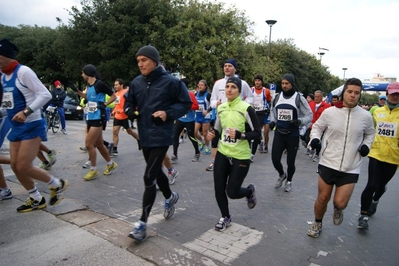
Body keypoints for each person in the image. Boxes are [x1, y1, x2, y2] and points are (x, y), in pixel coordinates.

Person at [124, 45, 191, 241]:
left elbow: (186, 104)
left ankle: (142, 224)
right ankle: (170, 197)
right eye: (138, 61)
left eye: (144, 60)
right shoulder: (136, 82)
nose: (140, 64)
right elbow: (129, 101)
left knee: (148, 177)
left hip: (162, 134)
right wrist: (129, 110)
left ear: (154, 61)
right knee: (155, 174)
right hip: (144, 134)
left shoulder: (171, 82)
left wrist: (167, 113)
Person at [0, 38, 68, 212]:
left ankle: (57, 184)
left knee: (23, 165)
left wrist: (26, 112)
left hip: (32, 123)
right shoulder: (4, 77)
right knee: (15, 165)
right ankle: (37, 198)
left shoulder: (23, 72)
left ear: (6, 56)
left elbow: (45, 95)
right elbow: (8, 104)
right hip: (16, 126)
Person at [306, 78, 375, 238]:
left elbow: (370, 133)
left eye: (356, 93)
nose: (352, 95)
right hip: (328, 161)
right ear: (344, 92)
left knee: (340, 202)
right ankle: (317, 222)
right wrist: (314, 139)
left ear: (360, 95)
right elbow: (317, 127)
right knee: (323, 198)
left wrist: (366, 146)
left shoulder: (365, 116)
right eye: (349, 91)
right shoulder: (330, 112)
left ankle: (338, 210)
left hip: (351, 165)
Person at [206, 76, 261, 231]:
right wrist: (211, 135)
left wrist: (240, 135)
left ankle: (249, 191)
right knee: (218, 189)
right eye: (227, 87)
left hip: (240, 156)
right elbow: (217, 130)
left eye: (233, 87)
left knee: (232, 192)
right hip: (223, 153)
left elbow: (258, 134)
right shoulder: (221, 108)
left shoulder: (246, 108)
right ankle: (225, 216)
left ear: (239, 91)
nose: (229, 90)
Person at [358, 82, 399, 230]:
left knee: (380, 187)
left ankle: (375, 201)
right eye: (392, 93)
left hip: (394, 157)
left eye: (397, 94)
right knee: (371, 185)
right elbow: (369, 130)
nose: (395, 96)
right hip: (376, 154)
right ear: (387, 94)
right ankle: (363, 215)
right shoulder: (376, 112)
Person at [206, 59, 254, 171]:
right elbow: (212, 99)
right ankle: (215, 162)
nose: (227, 68)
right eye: (225, 65)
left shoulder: (242, 83)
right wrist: (215, 104)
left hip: (237, 118)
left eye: (230, 66)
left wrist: (243, 105)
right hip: (221, 116)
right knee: (215, 139)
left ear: (235, 68)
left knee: (234, 138)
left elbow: (250, 97)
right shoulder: (218, 83)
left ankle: (238, 160)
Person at [269, 74, 312, 192]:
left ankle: (289, 181)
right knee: (275, 159)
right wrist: (273, 121)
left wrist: (299, 121)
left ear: (292, 84)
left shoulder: (299, 98)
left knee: (290, 161)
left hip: (292, 134)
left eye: (287, 83)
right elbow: (272, 111)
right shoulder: (277, 97)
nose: (284, 86)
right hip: (279, 133)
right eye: (283, 83)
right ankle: (282, 175)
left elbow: (309, 115)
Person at [73, 64, 117, 181]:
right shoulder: (89, 85)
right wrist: (76, 91)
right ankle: (110, 163)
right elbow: (87, 97)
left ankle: (93, 169)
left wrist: (105, 104)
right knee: (99, 144)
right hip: (90, 117)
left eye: (82, 72)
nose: (81, 75)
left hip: (98, 117)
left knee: (88, 144)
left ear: (87, 73)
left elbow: (113, 96)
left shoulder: (100, 84)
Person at [171, 78, 201, 163]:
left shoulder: (190, 94)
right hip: (180, 119)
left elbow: (196, 106)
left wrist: (186, 106)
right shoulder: (177, 94)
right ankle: (175, 154)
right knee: (175, 136)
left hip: (189, 120)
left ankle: (197, 152)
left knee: (191, 137)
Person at [111, 78, 140, 156]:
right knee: (115, 131)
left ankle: (139, 139)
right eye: (114, 85)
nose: (115, 86)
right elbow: (116, 105)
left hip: (125, 116)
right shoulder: (116, 94)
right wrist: (114, 111)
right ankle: (114, 149)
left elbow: (129, 104)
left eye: (117, 85)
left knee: (129, 131)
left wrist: (124, 110)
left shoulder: (126, 93)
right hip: (117, 116)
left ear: (121, 85)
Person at [250, 74, 272, 159]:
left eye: (259, 81)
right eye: (256, 81)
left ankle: (266, 145)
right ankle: (260, 142)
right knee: (257, 132)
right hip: (255, 113)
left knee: (266, 131)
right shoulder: (250, 90)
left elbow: (270, 101)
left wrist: (268, 108)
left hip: (264, 113)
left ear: (261, 82)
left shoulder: (266, 91)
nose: (257, 82)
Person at [307, 90, 331, 162]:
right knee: (306, 138)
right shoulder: (310, 104)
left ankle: (317, 154)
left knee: (318, 141)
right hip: (311, 125)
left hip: (322, 127)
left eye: (318, 97)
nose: (316, 98)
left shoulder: (326, 106)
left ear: (321, 97)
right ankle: (312, 148)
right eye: (315, 96)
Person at [193, 79, 212, 155]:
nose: (200, 86)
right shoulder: (196, 94)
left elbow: (212, 105)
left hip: (205, 117)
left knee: (205, 133)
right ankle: (202, 142)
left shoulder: (208, 95)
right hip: (197, 116)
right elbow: (194, 104)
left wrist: (207, 111)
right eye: (199, 85)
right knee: (193, 132)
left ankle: (207, 147)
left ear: (205, 87)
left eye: (201, 85)